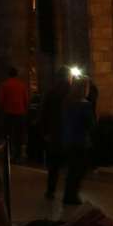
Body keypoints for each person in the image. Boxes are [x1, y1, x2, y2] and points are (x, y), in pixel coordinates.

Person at [60, 79, 93, 206]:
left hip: (68, 139)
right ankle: (72, 195)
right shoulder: (84, 105)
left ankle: (69, 194)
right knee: (79, 169)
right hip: (80, 140)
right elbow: (90, 124)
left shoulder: (67, 103)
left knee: (72, 169)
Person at [39, 67, 71, 199]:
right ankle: (69, 193)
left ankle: (50, 190)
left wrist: (45, 131)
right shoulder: (71, 91)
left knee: (54, 165)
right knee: (70, 164)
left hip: (54, 132)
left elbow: (44, 113)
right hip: (69, 132)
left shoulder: (51, 92)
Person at [0, 67, 29, 163]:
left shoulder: (4, 85)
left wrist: (2, 109)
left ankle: (8, 153)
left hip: (8, 112)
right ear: (17, 74)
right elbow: (26, 100)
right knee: (19, 135)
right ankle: (18, 154)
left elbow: (1, 100)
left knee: (8, 135)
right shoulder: (22, 85)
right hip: (20, 112)